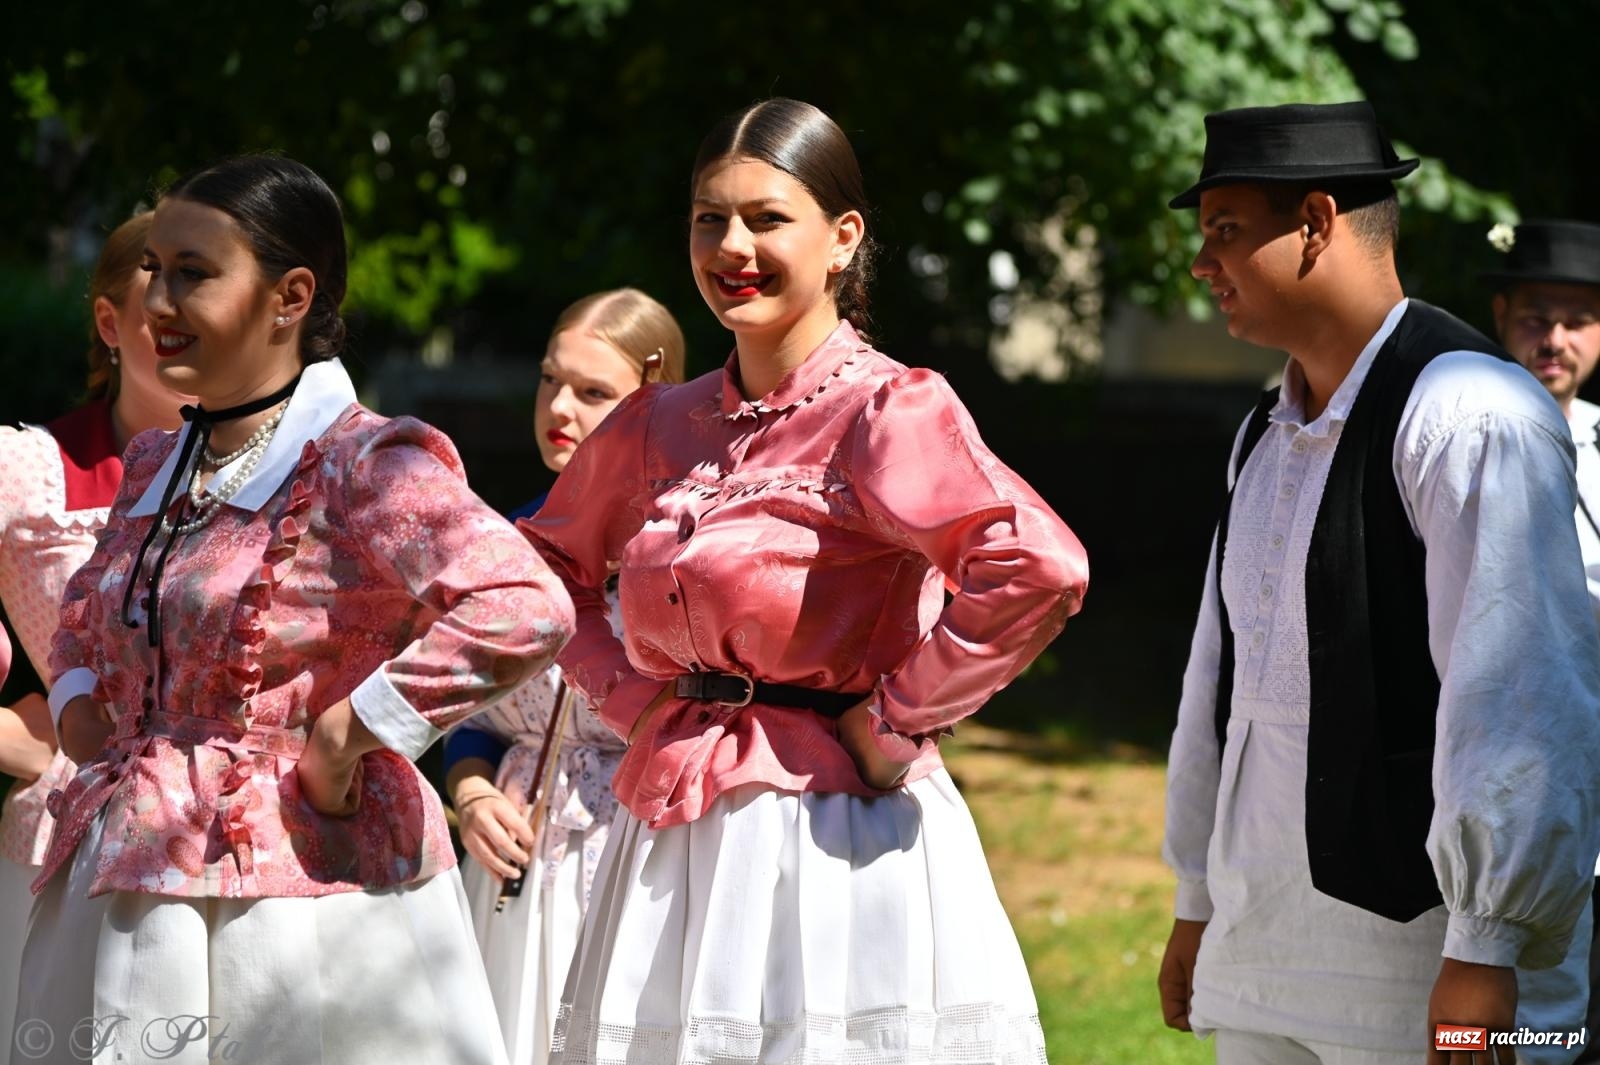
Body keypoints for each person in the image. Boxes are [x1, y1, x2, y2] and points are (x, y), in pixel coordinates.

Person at [521, 97, 1088, 1065]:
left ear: (842, 238)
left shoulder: (885, 410)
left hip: (831, 845)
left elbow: (1035, 565)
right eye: (710, 218)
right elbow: (535, 568)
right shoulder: (657, 424)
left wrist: (897, 719)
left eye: (765, 218)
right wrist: (626, 695)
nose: (731, 245)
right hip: (670, 846)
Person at [14, 155, 574, 1065]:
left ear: (291, 296)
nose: (158, 299)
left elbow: (523, 602)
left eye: (193, 272)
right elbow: (88, 600)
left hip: (297, 898)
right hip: (132, 883)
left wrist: (358, 726)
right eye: (153, 267)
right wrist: (82, 704)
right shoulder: (160, 461)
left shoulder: (363, 462)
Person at [1157, 101, 1600, 1065]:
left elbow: (1519, 697)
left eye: (1225, 232)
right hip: (1265, 943)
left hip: (1414, 962)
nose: (1203, 264)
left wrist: (1486, 947)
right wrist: (1199, 896)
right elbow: (1219, 684)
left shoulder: (1467, 410)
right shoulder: (1262, 434)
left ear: (1315, 222)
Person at [444, 287, 685, 1065]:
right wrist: (472, 790)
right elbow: (469, 707)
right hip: (514, 863)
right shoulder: (505, 538)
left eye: (593, 392)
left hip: (640, 859)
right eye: (552, 380)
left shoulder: (687, 550)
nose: (561, 406)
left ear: (650, 402)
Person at [0, 210, 194, 1049]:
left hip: (226, 831)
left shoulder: (286, 467)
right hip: (62, 836)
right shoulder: (29, 471)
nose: (185, 334)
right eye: (160, 318)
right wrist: (25, 736)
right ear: (109, 324)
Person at [1486, 219, 1600, 1064]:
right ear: (1500, 314)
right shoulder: (1460, 430)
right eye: (1536, 314)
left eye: (1577, 318)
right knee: (1515, 1032)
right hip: (1507, 789)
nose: (1554, 339)